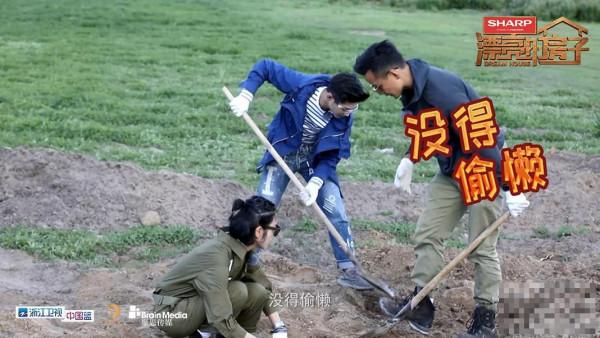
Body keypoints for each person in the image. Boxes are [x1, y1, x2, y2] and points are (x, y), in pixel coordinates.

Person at [353, 40, 530, 337]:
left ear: (394, 73)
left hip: (484, 169)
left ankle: (485, 321)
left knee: (480, 247)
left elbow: (484, 143)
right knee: (428, 234)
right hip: (452, 171)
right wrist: (410, 158)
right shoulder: (412, 92)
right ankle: (423, 305)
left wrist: (511, 186)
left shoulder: (443, 91)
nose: (378, 92)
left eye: (377, 86)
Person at [227, 59, 373, 291]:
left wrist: (316, 183)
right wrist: (246, 95)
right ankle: (246, 264)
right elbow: (265, 67)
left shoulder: (345, 115)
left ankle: (349, 268)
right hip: (283, 153)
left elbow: (332, 153)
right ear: (329, 97)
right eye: (344, 109)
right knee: (262, 209)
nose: (347, 114)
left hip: (314, 160)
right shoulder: (302, 87)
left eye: (351, 110)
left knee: (335, 209)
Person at [152, 196, 287, 338]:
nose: (275, 235)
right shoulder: (216, 255)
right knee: (237, 290)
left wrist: (279, 327)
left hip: (192, 303)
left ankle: (233, 332)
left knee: (256, 291)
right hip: (172, 313)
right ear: (259, 232)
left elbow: (263, 288)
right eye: (275, 230)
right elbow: (219, 314)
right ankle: (204, 334)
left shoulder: (242, 248)